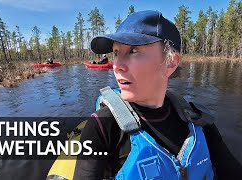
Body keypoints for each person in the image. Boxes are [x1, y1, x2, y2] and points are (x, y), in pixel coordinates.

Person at [73, 10, 242, 180]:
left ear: (170, 62)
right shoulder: (102, 126)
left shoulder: (199, 122)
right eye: (116, 53)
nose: (117, 65)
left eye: (133, 51)